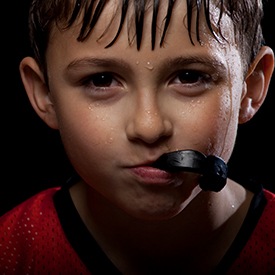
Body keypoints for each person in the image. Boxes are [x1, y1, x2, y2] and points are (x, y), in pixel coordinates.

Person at [0, 0, 274, 274]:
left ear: (249, 88)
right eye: (102, 80)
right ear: (45, 94)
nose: (149, 128)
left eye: (190, 77)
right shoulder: (10, 250)